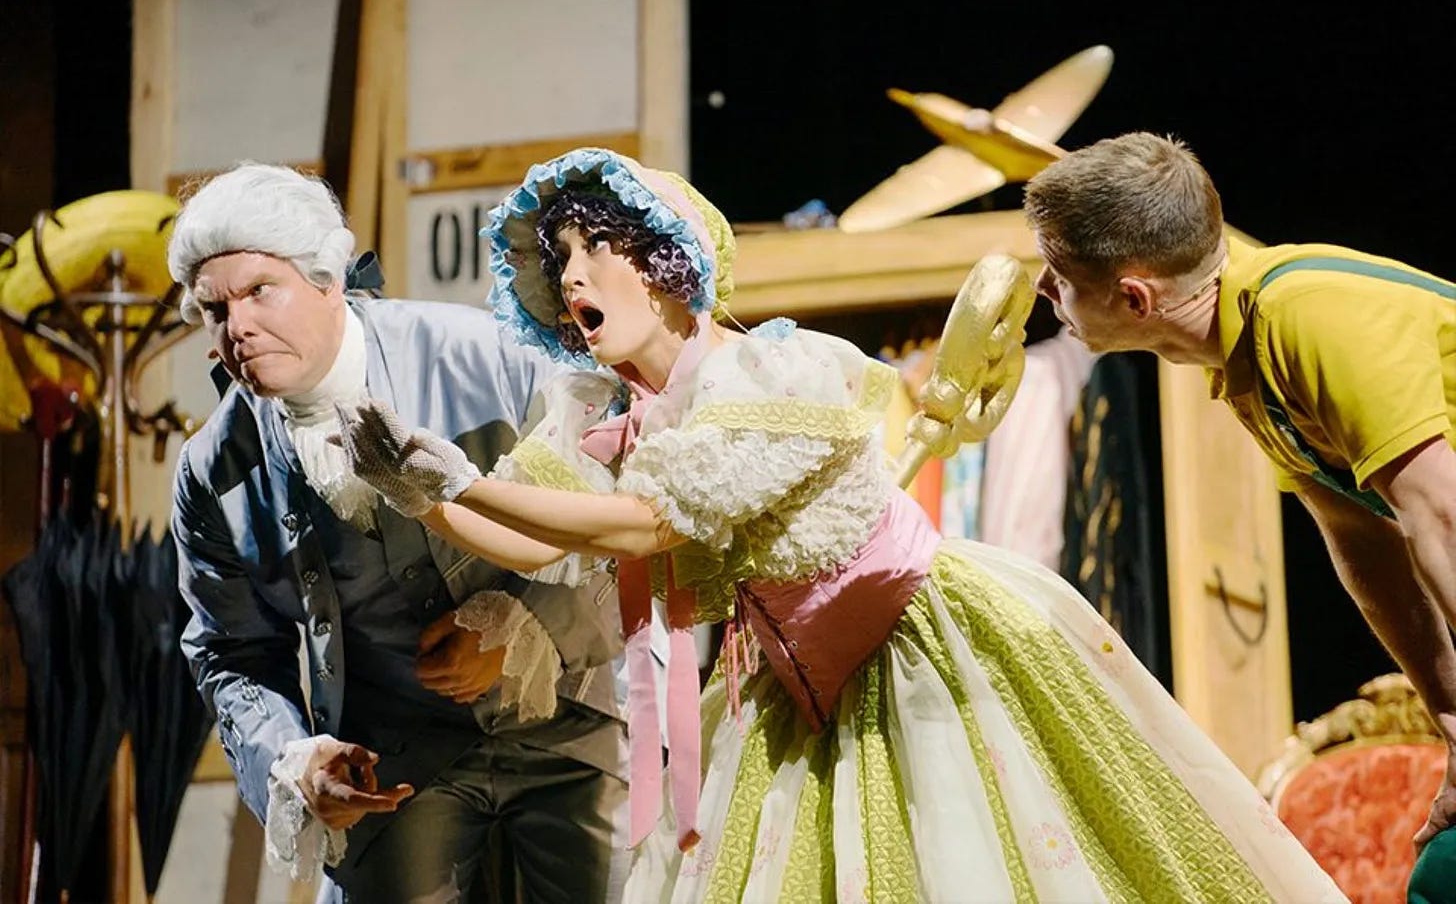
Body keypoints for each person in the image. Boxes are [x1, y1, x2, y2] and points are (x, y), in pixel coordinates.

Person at [332, 147, 1345, 901]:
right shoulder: (600, 416)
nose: (574, 273)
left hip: (915, 644)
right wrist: (431, 494)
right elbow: (539, 537)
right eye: (561, 257)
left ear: (669, 260)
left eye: (598, 245)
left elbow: (643, 525)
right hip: (783, 684)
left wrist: (461, 483)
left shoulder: (772, 370)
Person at [167, 163, 627, 903]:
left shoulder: (489, 358)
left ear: (326, 278)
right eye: (213, 308)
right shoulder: (212, 469)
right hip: (397, 764)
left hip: (567, 719)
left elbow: (617, 518)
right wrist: (295, 758)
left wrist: (525, 627)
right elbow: (232, 651)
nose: (238, 326)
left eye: (260, 290)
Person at [1024, 132, 1456, 855]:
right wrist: (1450, 717)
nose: (1042, 288)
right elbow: (1361, 538)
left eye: (1058, 273)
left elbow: (1441, 515)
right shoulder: (1244, 356)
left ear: (1134, 296)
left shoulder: (1308, 315)